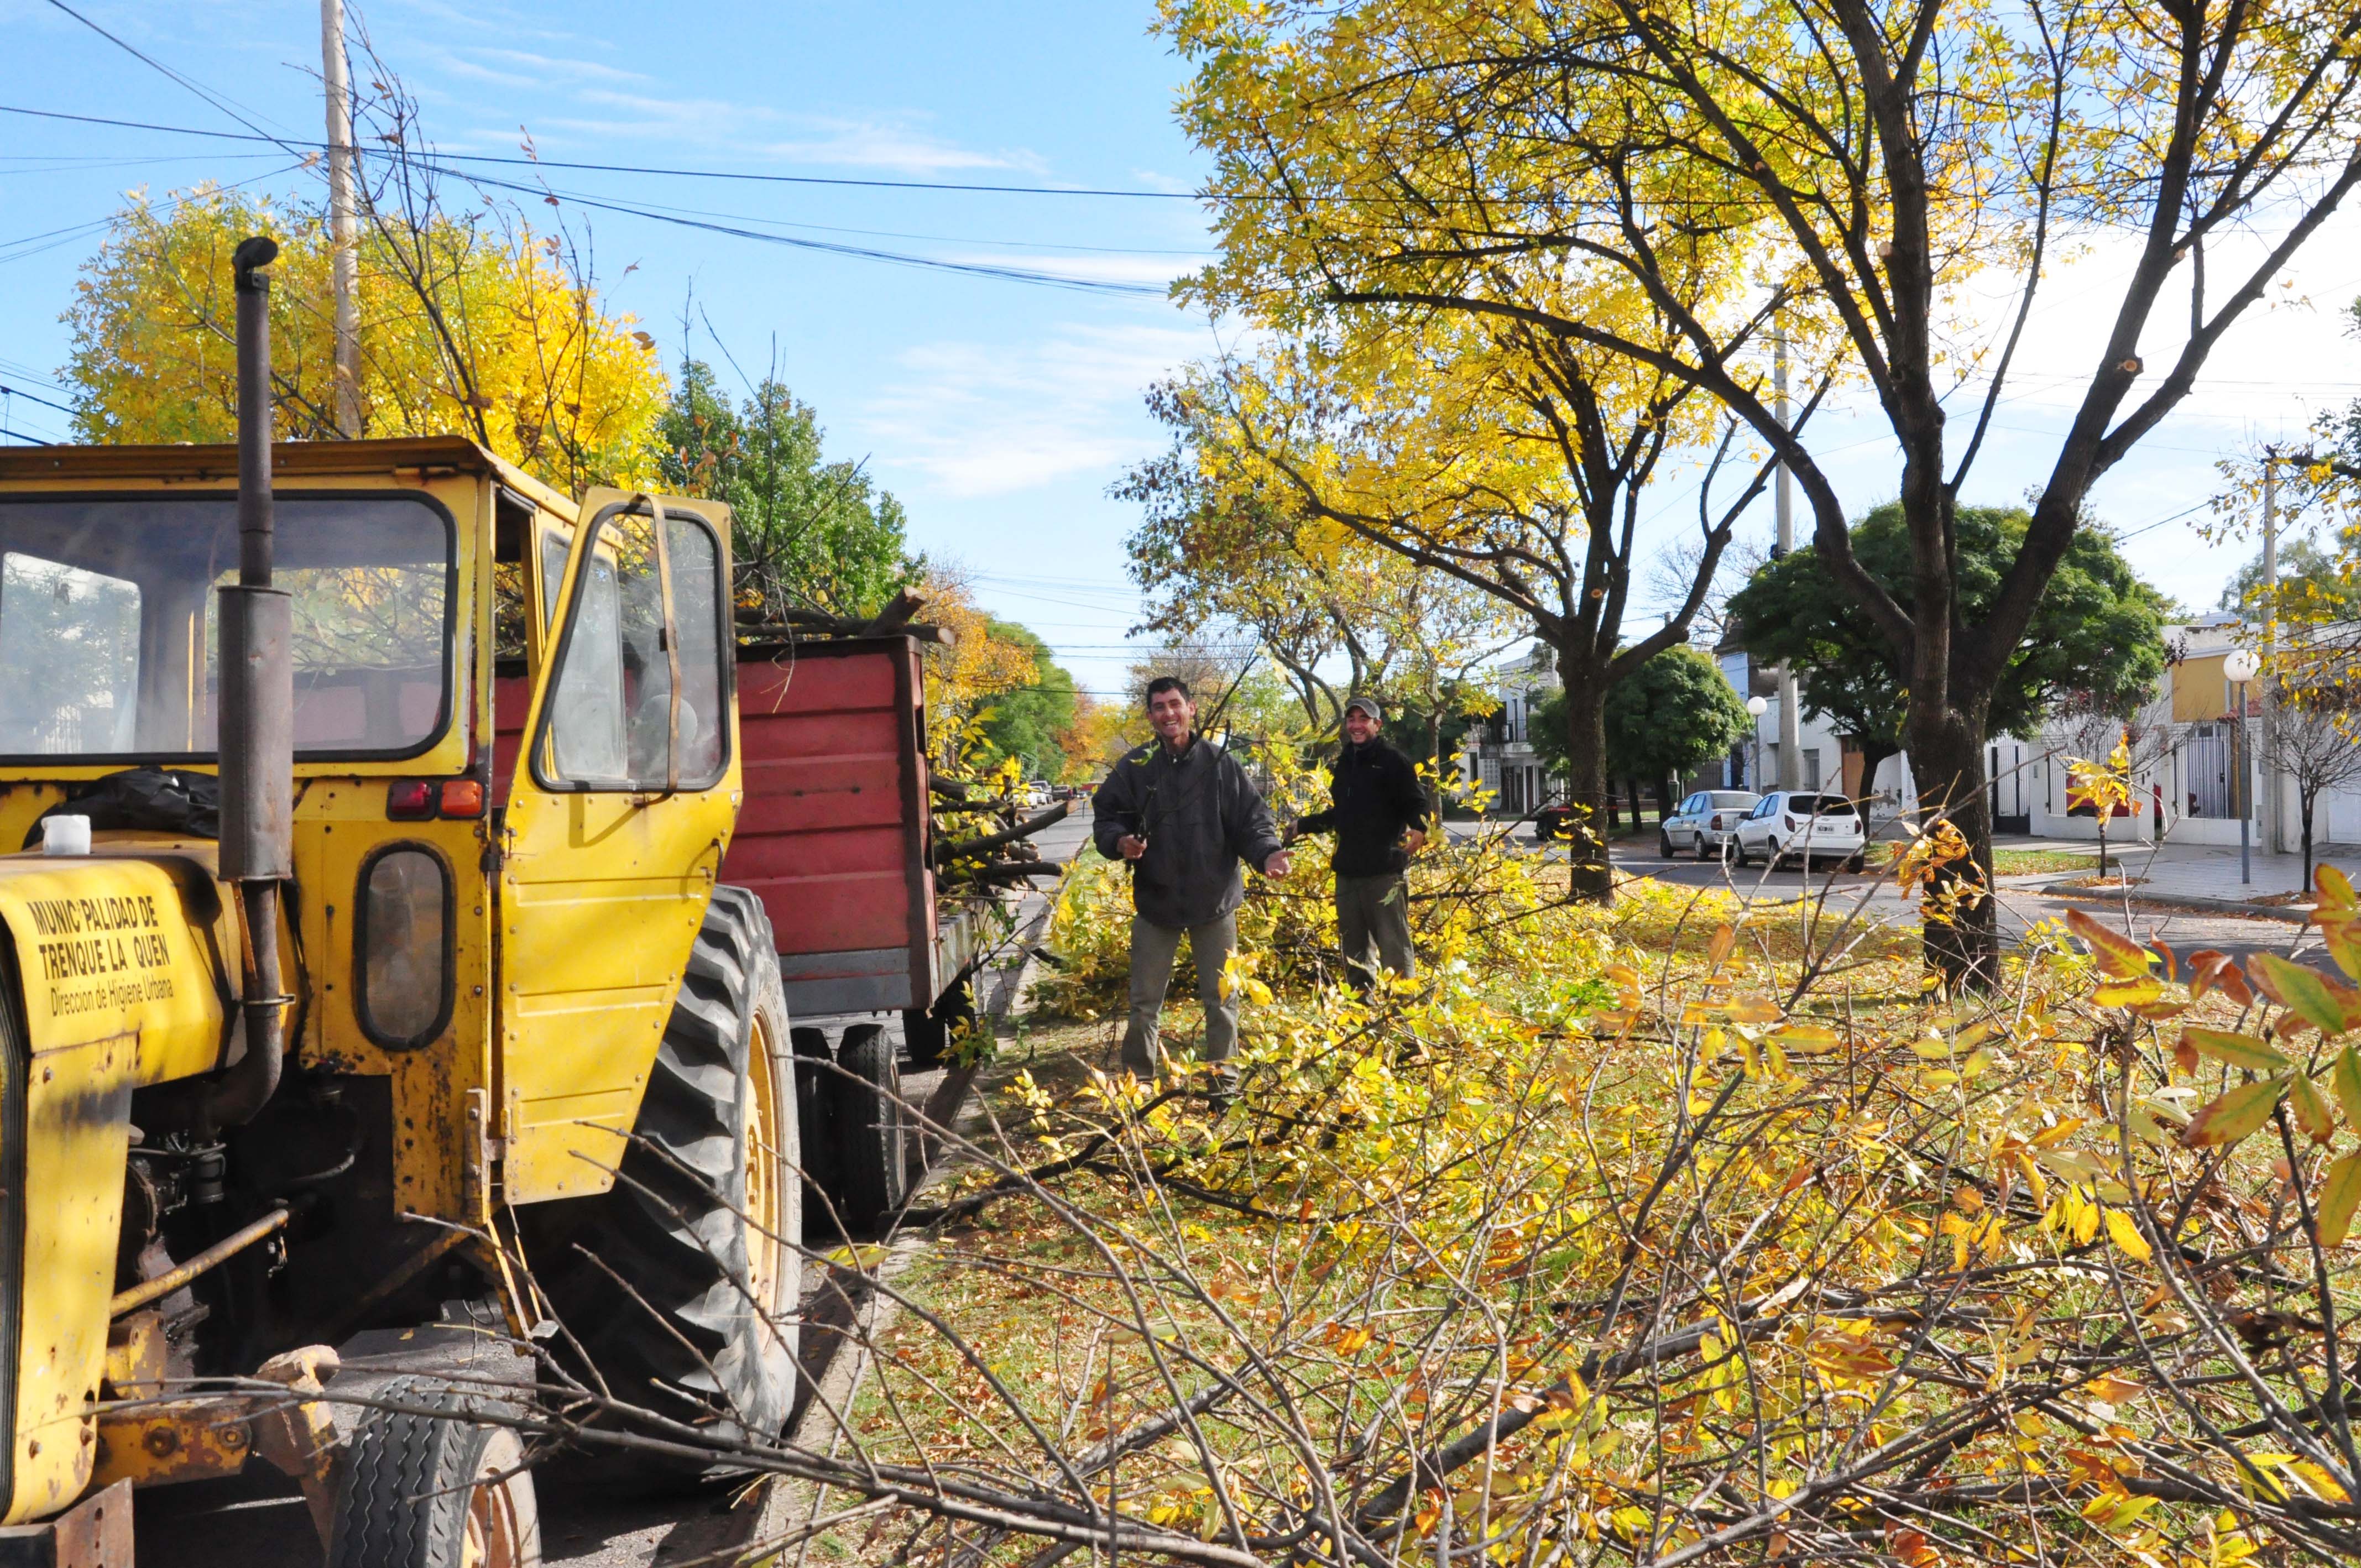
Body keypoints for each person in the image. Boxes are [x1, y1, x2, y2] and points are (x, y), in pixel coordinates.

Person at [1092, 677, 1290, 1081]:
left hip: (1214, 903)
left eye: (1175, 704)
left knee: (1222, 1002)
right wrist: (1120, 842)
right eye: (1160, 707)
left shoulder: (1221, 764)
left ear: (1192, 709)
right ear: (1150, 716)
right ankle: (1139, 1086)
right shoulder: (1135, 767)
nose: (1169, 713)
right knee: (1144, 1004)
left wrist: (1268, 853)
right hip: (1156, 902)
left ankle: (1224, 1086)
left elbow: (1252, 820)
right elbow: (1106, 818)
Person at [1292, 695, 1429, 990]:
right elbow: (1341, 814)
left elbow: (1417, 803)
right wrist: (1302, 825)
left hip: (1384, 871)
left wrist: (1420, 829)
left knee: (1394, 947)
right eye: (1351, 720)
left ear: (1377, 724)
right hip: (1348, 872)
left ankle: (1403, 1016)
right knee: (1353, 951)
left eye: (1363, 720)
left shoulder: (1394, 761)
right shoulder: (1344, 763)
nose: (1356, 726)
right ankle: (1360, 1011)